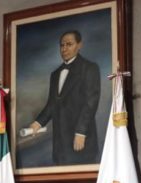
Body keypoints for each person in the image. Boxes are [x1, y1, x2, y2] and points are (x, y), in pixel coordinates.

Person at [28, 29, 101, 165]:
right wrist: (38, 123)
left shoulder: (89, 68)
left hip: (80, 139)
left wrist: (81, 132)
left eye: (69, 44)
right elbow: (52, 104)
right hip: (60, 143)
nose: (64, 49)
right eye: (62, 45)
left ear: (79, 45)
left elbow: (91, 103)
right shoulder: (55, 74)